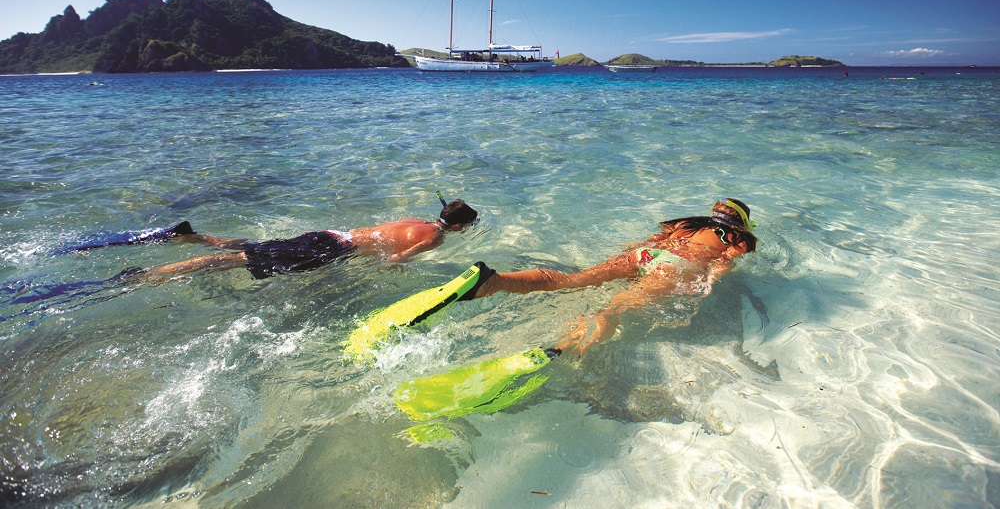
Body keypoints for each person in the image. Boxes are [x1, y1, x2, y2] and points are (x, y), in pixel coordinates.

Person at [468, 199, 757, 356]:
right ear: (741, 223)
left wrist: (629, 261)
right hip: (673, 267)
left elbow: (651, 241)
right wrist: (706, 284)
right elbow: (723, 264)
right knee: (615, 308)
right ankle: (561, 349)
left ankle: (496, 281)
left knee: (572, 280)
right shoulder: (739, 239)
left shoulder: (684, 224)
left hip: (642, 255)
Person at [131, 198, 478, 283]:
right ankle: (152, 274)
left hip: (328, 235)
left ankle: (192, 237)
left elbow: (381, 235)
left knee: (250, 247)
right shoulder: (434, 237)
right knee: (240, 260)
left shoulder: (415, 220)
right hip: (331, 249)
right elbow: (397, 259)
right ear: (459, 226)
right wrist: (387, 276)